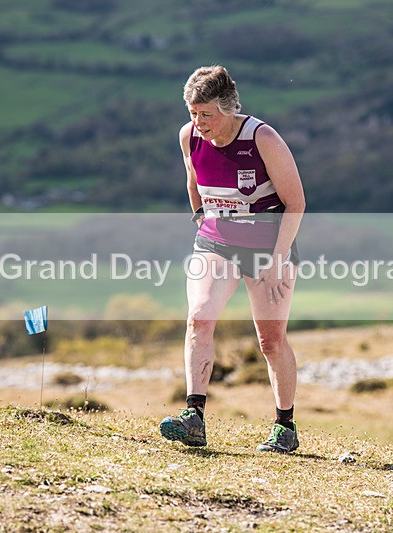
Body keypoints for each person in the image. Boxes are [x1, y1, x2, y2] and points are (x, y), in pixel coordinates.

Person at [159, 65, 306, 454]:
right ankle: (194, 417)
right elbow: (194, 183)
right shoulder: (188, 136)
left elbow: (296, 202)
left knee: (270, 341)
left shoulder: (262, 137)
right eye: (192, 112)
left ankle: (284, 427)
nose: (198, 122)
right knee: (199, 317)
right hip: (215, 244)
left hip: (268, 249)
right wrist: (201, 222)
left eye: (206, 113)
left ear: (228, 108)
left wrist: (277, 259)